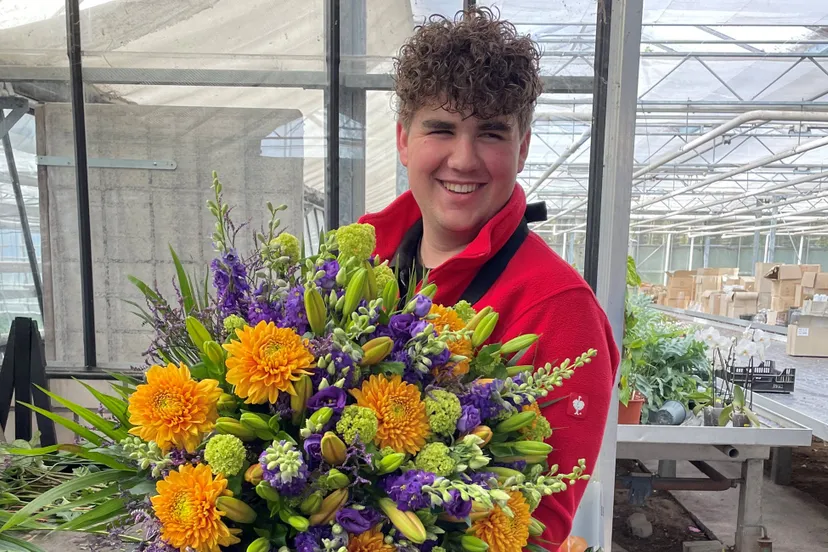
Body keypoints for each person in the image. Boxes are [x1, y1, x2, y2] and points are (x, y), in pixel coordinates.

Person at [358, 7, 620, 550]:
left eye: (491, 133)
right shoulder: (358, 267)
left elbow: (537, 526)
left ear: (522, 148)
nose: (463, 159)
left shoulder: (559, 308)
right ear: (404, 139)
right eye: (441, 129)